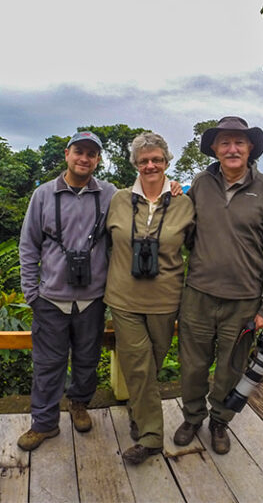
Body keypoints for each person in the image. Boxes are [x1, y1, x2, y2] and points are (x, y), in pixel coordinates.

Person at [173, 116, 263, 455]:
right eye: (225, 142)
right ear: (215, 149)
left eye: (239, 142)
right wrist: (174, 196)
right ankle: (193, 417)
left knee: (230, 369)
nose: (232, 148)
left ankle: (220, 421)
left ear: (250, 148)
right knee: (192, 366)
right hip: (198, 295)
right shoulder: (200, 184)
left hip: (243, 301)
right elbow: (185, 233)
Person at [17, 131, 116, 451]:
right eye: (79, 152)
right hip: (51, 298)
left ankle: (79, 405)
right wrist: (31, 292)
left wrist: (173, 186)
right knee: (47, 364)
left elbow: (144, 201)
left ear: (98, 159)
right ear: (67, 154)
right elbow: (28, 245)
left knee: (87, 360)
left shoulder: (110, 194)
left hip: (93, 298)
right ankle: (44, 423)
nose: (84, 158)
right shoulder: (44, 195)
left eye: (91, 154)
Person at [104, 132, 195, 465]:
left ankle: (138, 413)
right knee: (138, 365)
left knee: (150, 367)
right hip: (123, 298)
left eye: (157, 159)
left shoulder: (184, 202)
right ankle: (152, 437)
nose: (150, 165)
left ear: (167, 162)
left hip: (165, 299)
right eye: (144, 161)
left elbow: (199, 250)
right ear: (136, 165)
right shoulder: (118, 200)